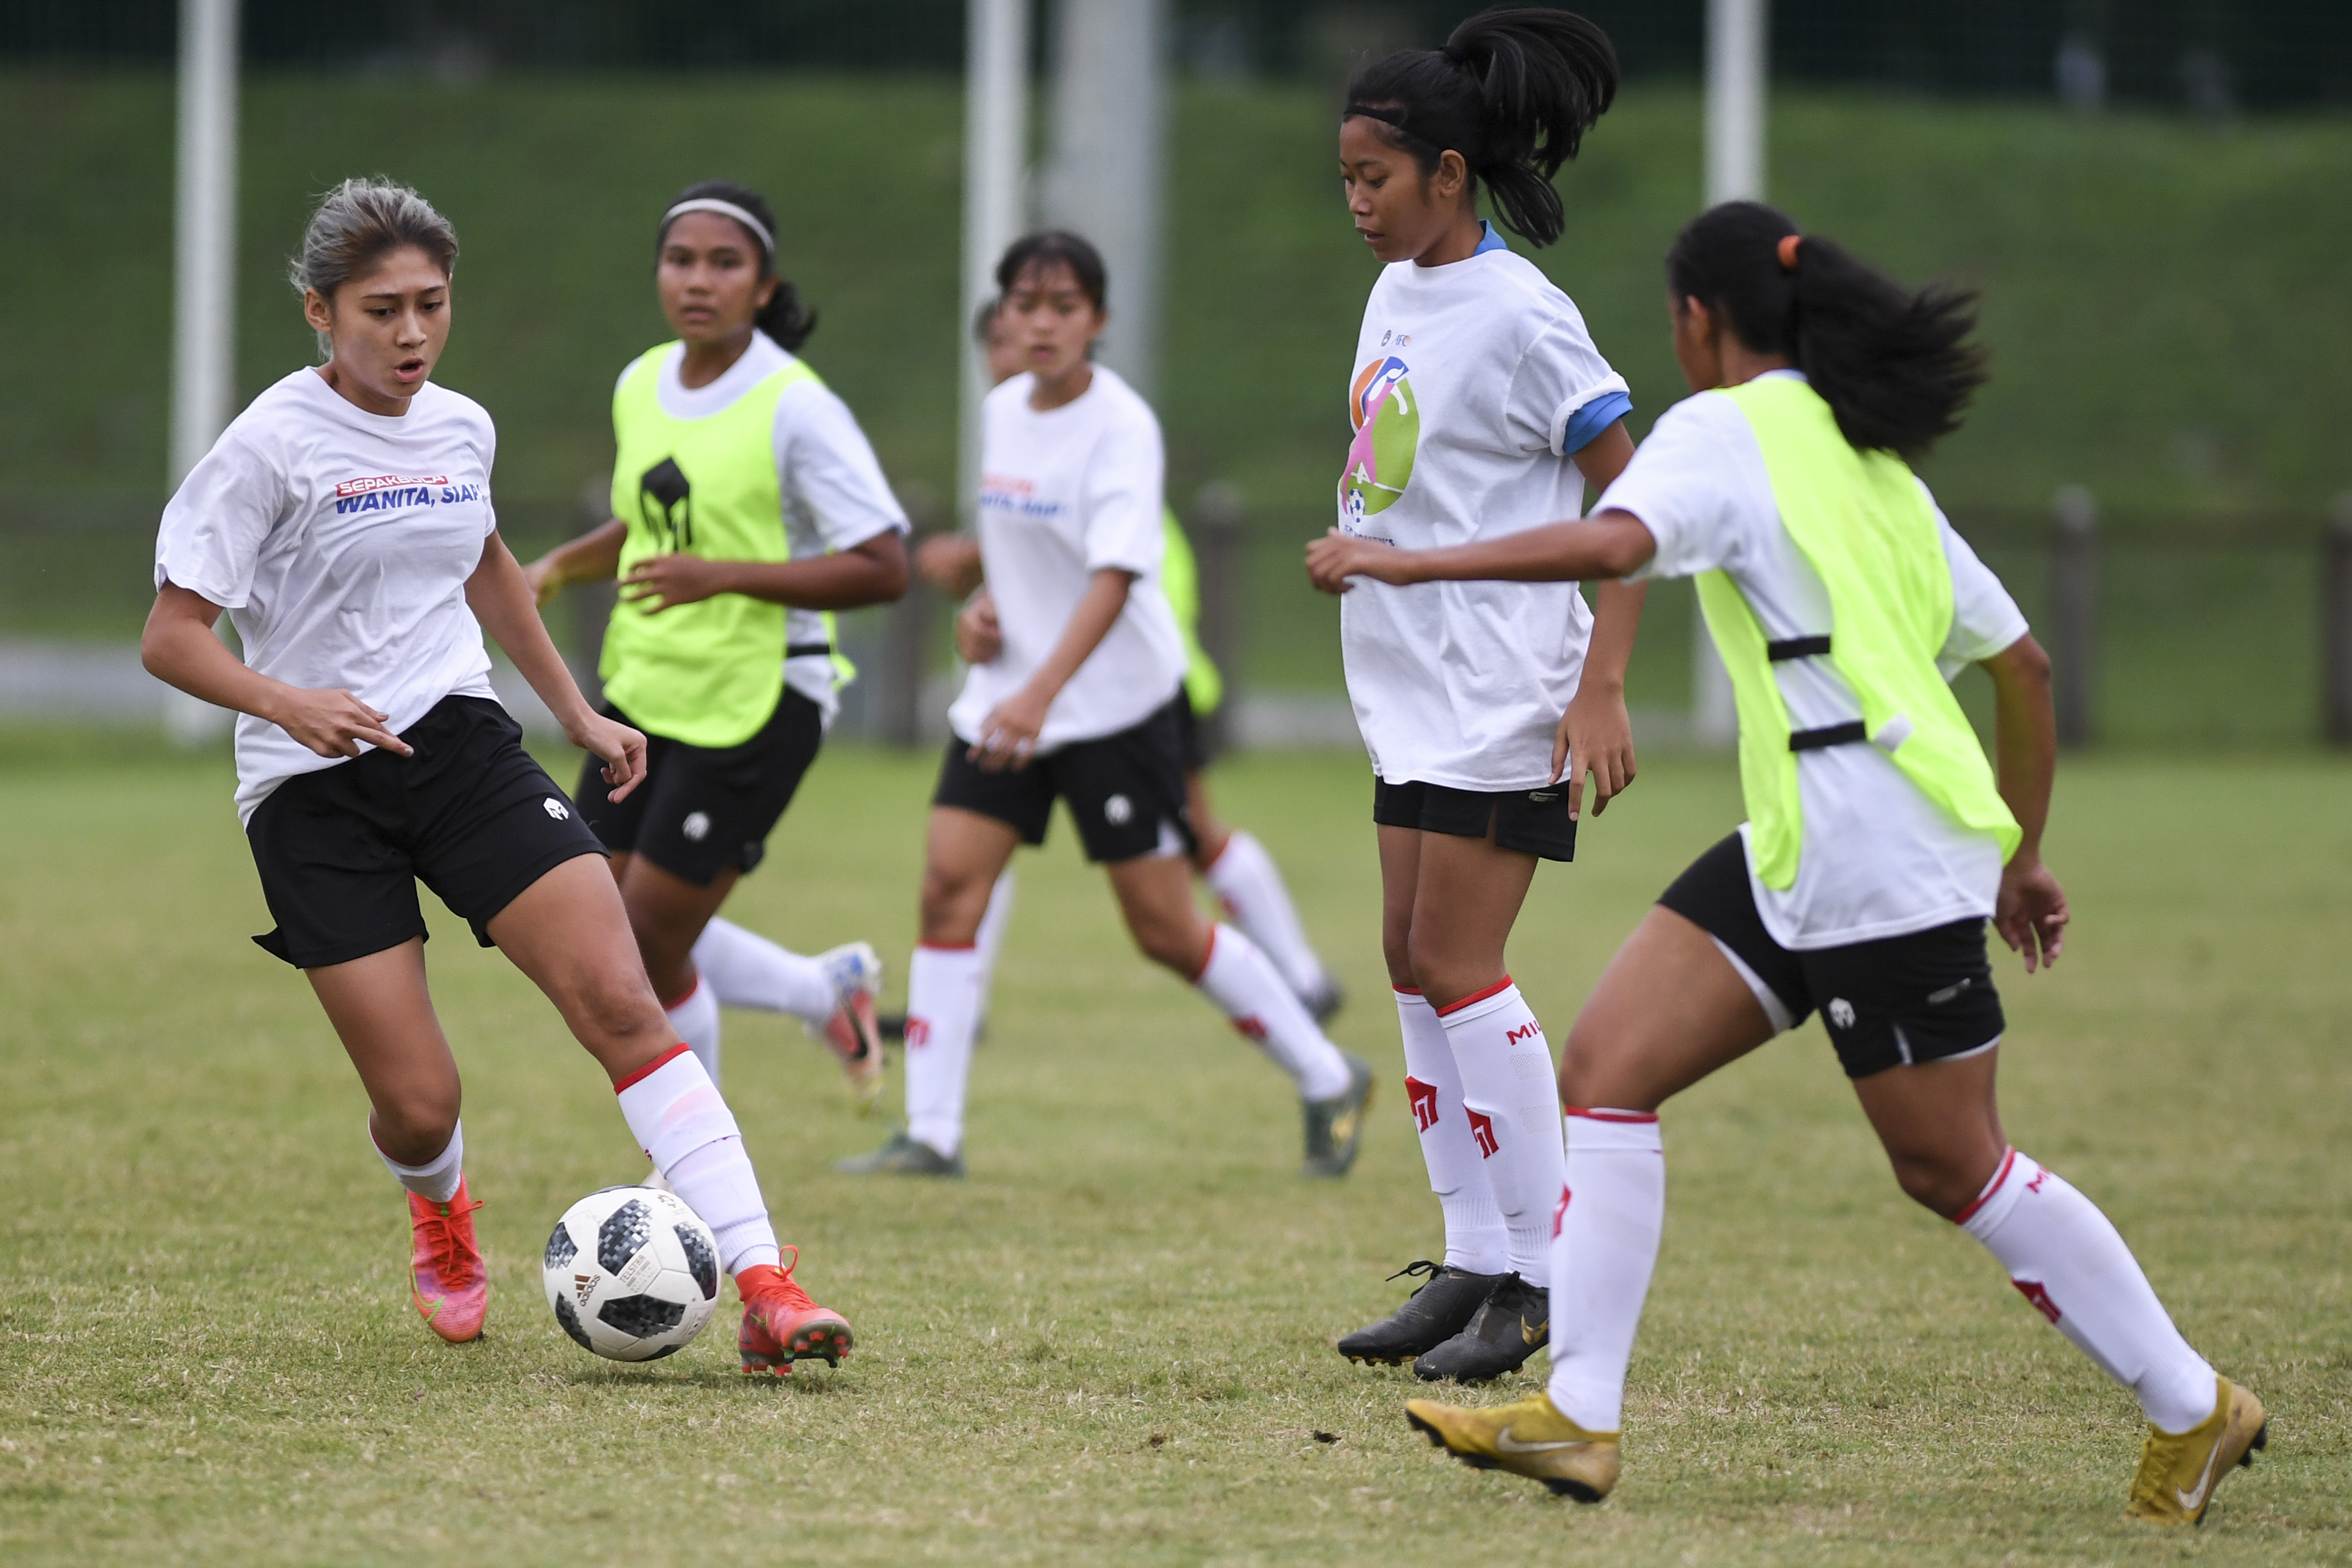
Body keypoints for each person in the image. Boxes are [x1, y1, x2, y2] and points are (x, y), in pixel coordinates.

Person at [1315, 200, 2265, 1523]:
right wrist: (2019, 850)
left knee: (1952, 1167)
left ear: (1698, 324)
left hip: (1869, 854)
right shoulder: (1869, 457)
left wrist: (1401, 565)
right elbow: (2022, 667)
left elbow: (1607, 543)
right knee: (1607, 1070)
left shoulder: (1722, 428)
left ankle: (2189, 1399)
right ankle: (1577, 1416)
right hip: (1803, 841)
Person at [141, 178, 851, 1372]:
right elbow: (171, 635)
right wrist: (287, 700)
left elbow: (489, 570)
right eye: (380, 311)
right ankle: (441, 1208)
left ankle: (770, 1286)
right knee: (420, 1103)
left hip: (461, 747)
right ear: (320, 312)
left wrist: (575, 708)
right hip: (314, 786)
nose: (411, 333)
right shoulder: (266, 446)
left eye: (431, 304)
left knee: (623, 1002)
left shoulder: (460, 426)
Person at [840, 231, 1373, 1179]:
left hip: (1114, 708)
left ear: (1099, 320)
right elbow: (1020, 550)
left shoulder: (1123, 425)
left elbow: (1117, 575)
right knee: (948, 886)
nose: (1041, 324)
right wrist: (987, 616)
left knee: (1164, 927)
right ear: (1004, 315)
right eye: (1025, 305)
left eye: (1064, 306)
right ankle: (933, 1132)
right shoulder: (1004, 408)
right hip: (1012, 703)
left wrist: (1044, 690)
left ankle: (1331, 1075)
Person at [1314, 8, 1646, 1385]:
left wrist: (1600, 687)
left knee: (1459, 966)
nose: (1354, 204)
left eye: (1374, 181)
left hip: (1506, 690)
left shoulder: (1523, 317)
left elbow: (1632, 501)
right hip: (1411, 689)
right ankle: (1473, 1259)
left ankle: (1544, 1278)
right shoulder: (1397, 287)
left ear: (1449, 174)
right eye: (1344, 180)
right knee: (1407, 963)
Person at [524, 180, 908, 1113]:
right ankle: (825, 994)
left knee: (649, 943)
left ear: (766, 286)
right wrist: (549, 573)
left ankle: (694, 1172)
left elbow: (885, 565)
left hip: (762, 697)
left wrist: (723, 575)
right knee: (598, 932)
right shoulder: (639, 382)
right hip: (649, 685)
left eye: (724, 263)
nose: (699, 280)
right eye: (680, 259)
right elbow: (652, 526)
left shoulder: (796, 405)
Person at [895, 300, 1347, 1041]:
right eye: (1003, 345)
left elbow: (1094, 575)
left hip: (1129, 691)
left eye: (1032, 334)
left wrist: (987, 586)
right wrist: (983, 601)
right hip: (1052, 692)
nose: (1019, 354)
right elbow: (1028, 565)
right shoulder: (1017, 435)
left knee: (1192, 859)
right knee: (970, 854)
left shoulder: (1107, 440)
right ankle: (955, 1019)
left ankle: (1301, 983)